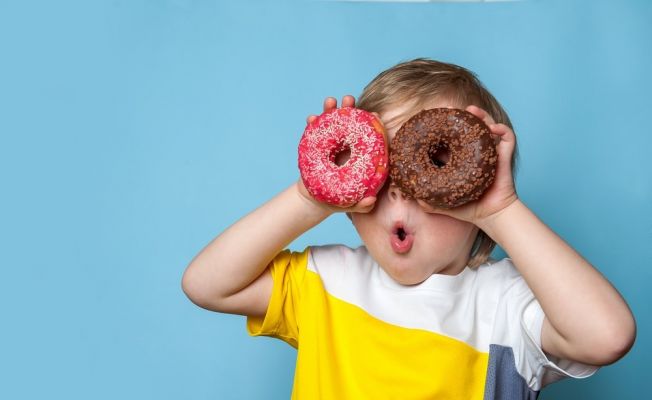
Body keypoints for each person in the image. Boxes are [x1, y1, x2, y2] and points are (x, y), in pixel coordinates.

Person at [181, 58, 636, 399]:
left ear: (473, 185)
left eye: (433, 166)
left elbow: (607, 336)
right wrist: (308, 199)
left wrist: (502, 210)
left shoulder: (506, 308)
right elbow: (207, 284)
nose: (400, 191)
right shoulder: (326, 283)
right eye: (380, 171)